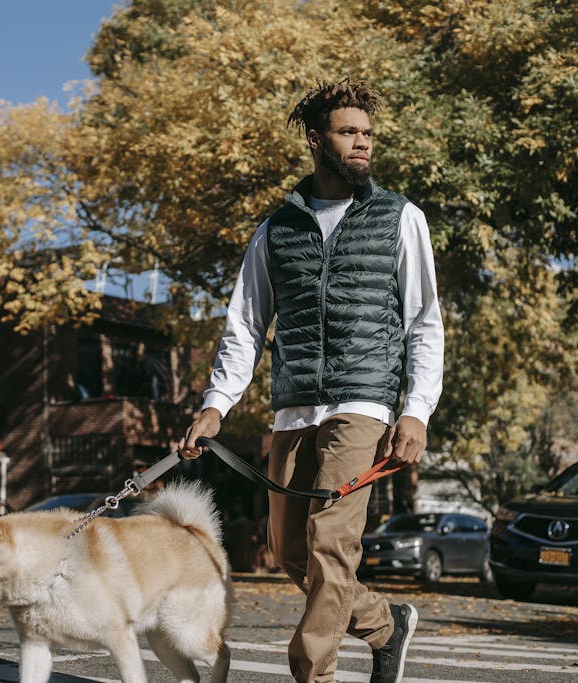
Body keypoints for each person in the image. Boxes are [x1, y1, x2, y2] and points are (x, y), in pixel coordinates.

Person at [178, 79, 444, 683]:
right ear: (315, 139)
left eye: (367, 135)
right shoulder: (277, 229)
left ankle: (311, 675)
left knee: (330, 545)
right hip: (293, 409)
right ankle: (383, 623)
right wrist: (216, 404)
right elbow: (245, 324)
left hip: (363, 402)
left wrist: (416, 411)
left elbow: (424, 322)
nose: (362, 145)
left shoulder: (399, 218)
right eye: (349, 132)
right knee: (291, 554)